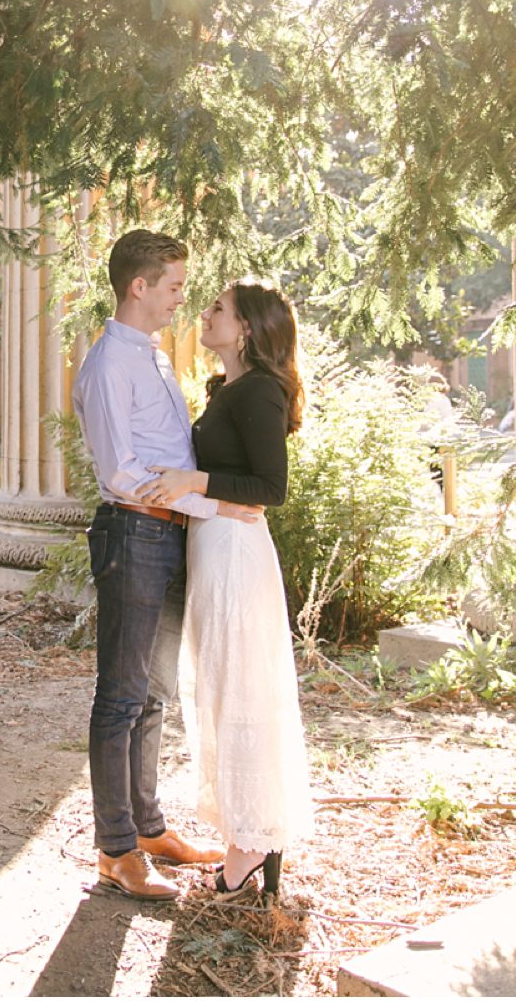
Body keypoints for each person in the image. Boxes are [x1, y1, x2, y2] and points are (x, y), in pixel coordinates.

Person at [70, 230, 262, 901]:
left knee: (153, 694)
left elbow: (172, 457)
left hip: (169, 534)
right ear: (139, 286)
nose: (183, 297)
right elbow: (121, 472)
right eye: (175, 286)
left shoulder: (149, 355)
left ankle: (149, 830)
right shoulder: (107, 365)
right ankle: (115, 850)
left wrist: (205, 504)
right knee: (121, 696)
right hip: (133, 533)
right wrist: (216, 505)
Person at [136, 277, 315, 900]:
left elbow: (270, 487)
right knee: (219, 685)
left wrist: (193, 481)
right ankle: (246, 832)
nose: (206, 313)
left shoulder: (259, 389)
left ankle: (252, 843)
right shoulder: (229, 390)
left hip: (237, 555)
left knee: (241, 688)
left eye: (219, 308)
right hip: (214, 544)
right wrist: (200, 493)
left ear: (245, 330)